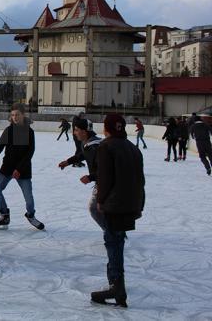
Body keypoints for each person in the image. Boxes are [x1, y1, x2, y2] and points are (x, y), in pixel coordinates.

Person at [91, 114, 145, 308]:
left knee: (113, 243)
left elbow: (105, 177)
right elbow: (141, 180)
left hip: (114, 205)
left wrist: (100, 200)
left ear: (107, 128)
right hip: (130, 204)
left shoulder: (106, 146)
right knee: (117, 241)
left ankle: (116, 286)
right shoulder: (133, 148)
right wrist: (139, 205)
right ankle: (117, 286)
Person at [0, 103, 44, 230]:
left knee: (29, 198)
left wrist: (19, 169)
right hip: (7, 168)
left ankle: (31, 215)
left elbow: (30, 152)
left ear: (23, 115)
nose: (15, 117)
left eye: (17, 115)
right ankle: (4, 215)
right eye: (13, 115)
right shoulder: (8, 131)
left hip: (23, 170)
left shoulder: (29, 132)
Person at [58, 118, 106, 230]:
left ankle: (112, 233)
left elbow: (105, 170)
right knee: (101, 208)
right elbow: (82, 155)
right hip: (102, 180)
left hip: (105, 181)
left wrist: (90, 177)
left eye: (76, 130)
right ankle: (114, 232)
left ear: (84, 131)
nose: (74, 132)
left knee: (95, 208)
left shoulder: (94, 147)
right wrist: (68, 162)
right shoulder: (88, 143)